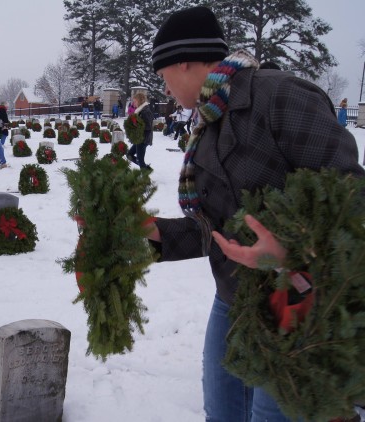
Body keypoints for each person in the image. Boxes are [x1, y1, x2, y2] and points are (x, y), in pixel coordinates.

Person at [146, 7, 364, 421]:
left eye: (163, 73)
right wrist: (153, 231)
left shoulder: (279, 95)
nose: (165, 85)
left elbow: (350, 201)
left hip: (297, 302)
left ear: (184, 61)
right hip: (233, 298)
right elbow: (220, 232)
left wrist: (290, 252)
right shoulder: (208, 120)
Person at [125, 92, 153, 170]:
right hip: (139, 138)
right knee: (129, 155)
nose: (134, 103)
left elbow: (148, 126)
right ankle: (146, 168)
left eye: (135, 101)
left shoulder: (145, 111)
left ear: (140, 101)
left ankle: (145, 177)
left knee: (140, 160)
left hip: (143, 138)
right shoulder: (140, 110)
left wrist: (136, 125)